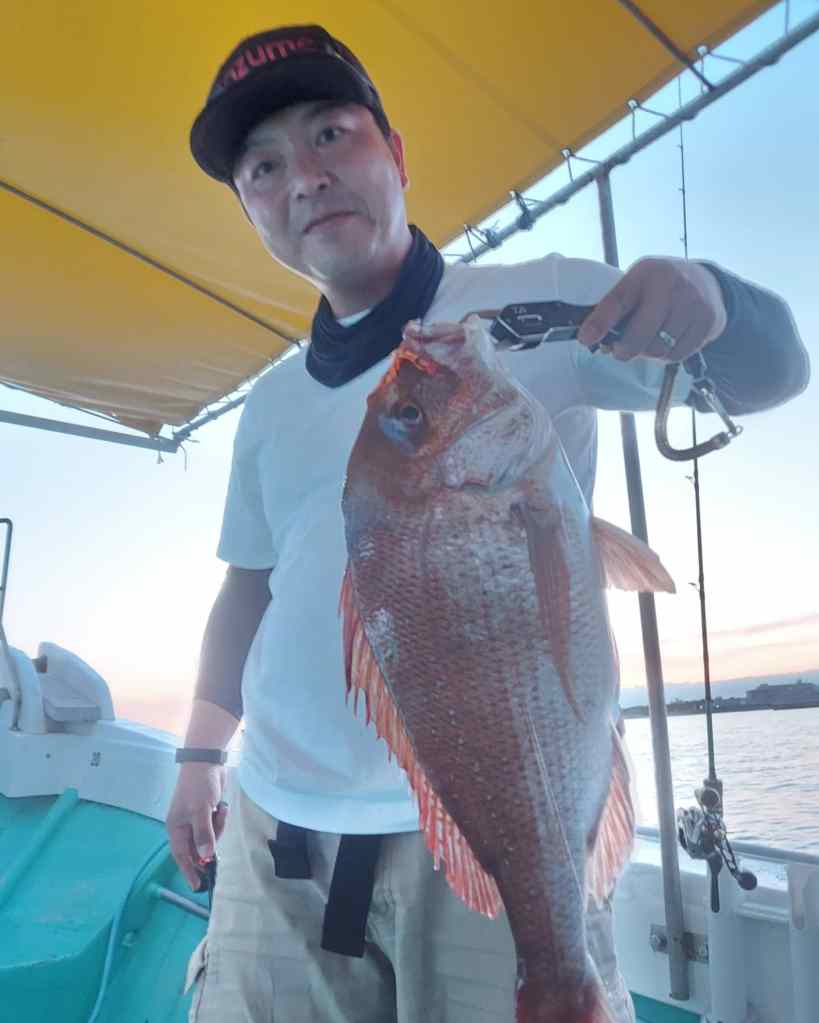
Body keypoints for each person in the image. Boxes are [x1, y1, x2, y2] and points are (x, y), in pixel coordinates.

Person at [167, 24, 810, 1023]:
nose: (306, 177)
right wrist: (200, 756)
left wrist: (716, 298)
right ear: (251, 209)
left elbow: (773, 373)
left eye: (331, 133)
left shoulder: (540, 306)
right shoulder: (270, 402)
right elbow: (249, 583)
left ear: (396, 155)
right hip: (272, 827)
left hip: (495, 838)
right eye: (264, 167)